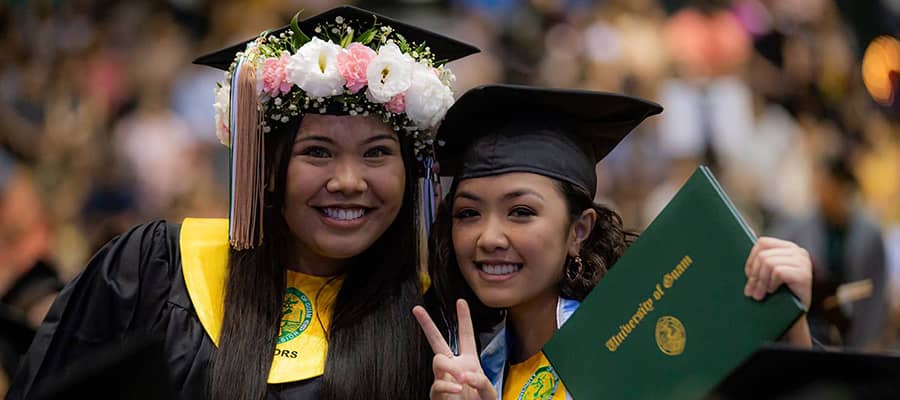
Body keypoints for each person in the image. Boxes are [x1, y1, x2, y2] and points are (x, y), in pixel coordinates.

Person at [9, 6, 478, 400]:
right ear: (266, 168)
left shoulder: (434, 333)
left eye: (377, 153)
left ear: (411, 169)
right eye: (316, 152)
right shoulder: (155, 268)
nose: (349, 181)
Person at [412, 84, 815, 399]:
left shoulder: (641, 341)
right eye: (468, 213)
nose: (489, 237)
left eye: (521, 211)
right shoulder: (473, 375)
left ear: (579, 231)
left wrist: (788, 320)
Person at [772, 156, 889, 349]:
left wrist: (873, 339)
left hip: (855, 324)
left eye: (826, 185)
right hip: (812, 323)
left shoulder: (870, 234)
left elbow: (877, 292)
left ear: (842, 187)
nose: (821, 191)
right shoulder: (797, 227)